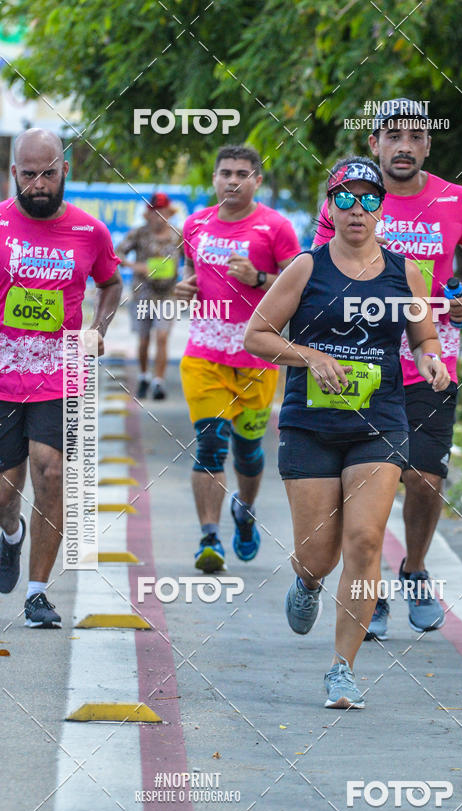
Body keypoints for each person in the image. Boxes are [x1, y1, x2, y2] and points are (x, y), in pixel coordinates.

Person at [244, 157, 450, 708]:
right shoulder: (305, 268)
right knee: (319, 554)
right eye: (345, 199)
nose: (357, 211)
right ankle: (308, 582)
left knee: (364, 542)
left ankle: (342, 667)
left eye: (369, 200)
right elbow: (256, 337)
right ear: (328, 206)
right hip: (311, 425)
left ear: (383, 209)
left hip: (378, 423)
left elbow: (424, 335)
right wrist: (308, 355)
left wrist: (431, 360)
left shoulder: (406, 271)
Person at [314, 99, 462, 639]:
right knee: (366, 483)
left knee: (423, 479)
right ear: (373, 144)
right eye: (392, 135)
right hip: (362, 361)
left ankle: (415, 568)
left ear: (427, 145)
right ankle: (367, 589)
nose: (404, 145)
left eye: (415, 136)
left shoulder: (455, 199)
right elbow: (317, 271)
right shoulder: (348, 200)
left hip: (430, 359)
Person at [0, 128, 121, 628]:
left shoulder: (90, 232)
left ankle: (38, 592)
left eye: (49, 173)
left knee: (53, 472)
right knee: (1, 495)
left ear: (66, 170)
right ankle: (11, 534)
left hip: (61, 370)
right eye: (29, 175)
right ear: (13, 174)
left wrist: (97, 328)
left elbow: (110, 284)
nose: (39, 184)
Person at [174, 145, 300, 572]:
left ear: (257, 181)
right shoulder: (195, 224)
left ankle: (244, 511)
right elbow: (190, 273)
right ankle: (209, 539)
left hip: (256, 359)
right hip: (203, 354)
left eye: (242, 174)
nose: (232, 180)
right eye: (225, 172)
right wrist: (183, 288)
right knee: (209, 445)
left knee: (247, 452)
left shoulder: (276, 227)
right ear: (213, 178)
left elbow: (300, 288)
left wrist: (260, 279)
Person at [116, 192, 181, 400]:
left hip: (168, 294)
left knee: (162, 337)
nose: (159, 216)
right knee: (144, 340)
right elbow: (117, 253)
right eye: (155, 212)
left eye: (162, 212)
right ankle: (144, 376)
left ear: (168, 214)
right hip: (143, 294)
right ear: (149, 214)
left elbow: (193, 260)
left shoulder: (178, 235)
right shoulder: (139, 234)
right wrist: (136, 266)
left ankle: (158, 382)